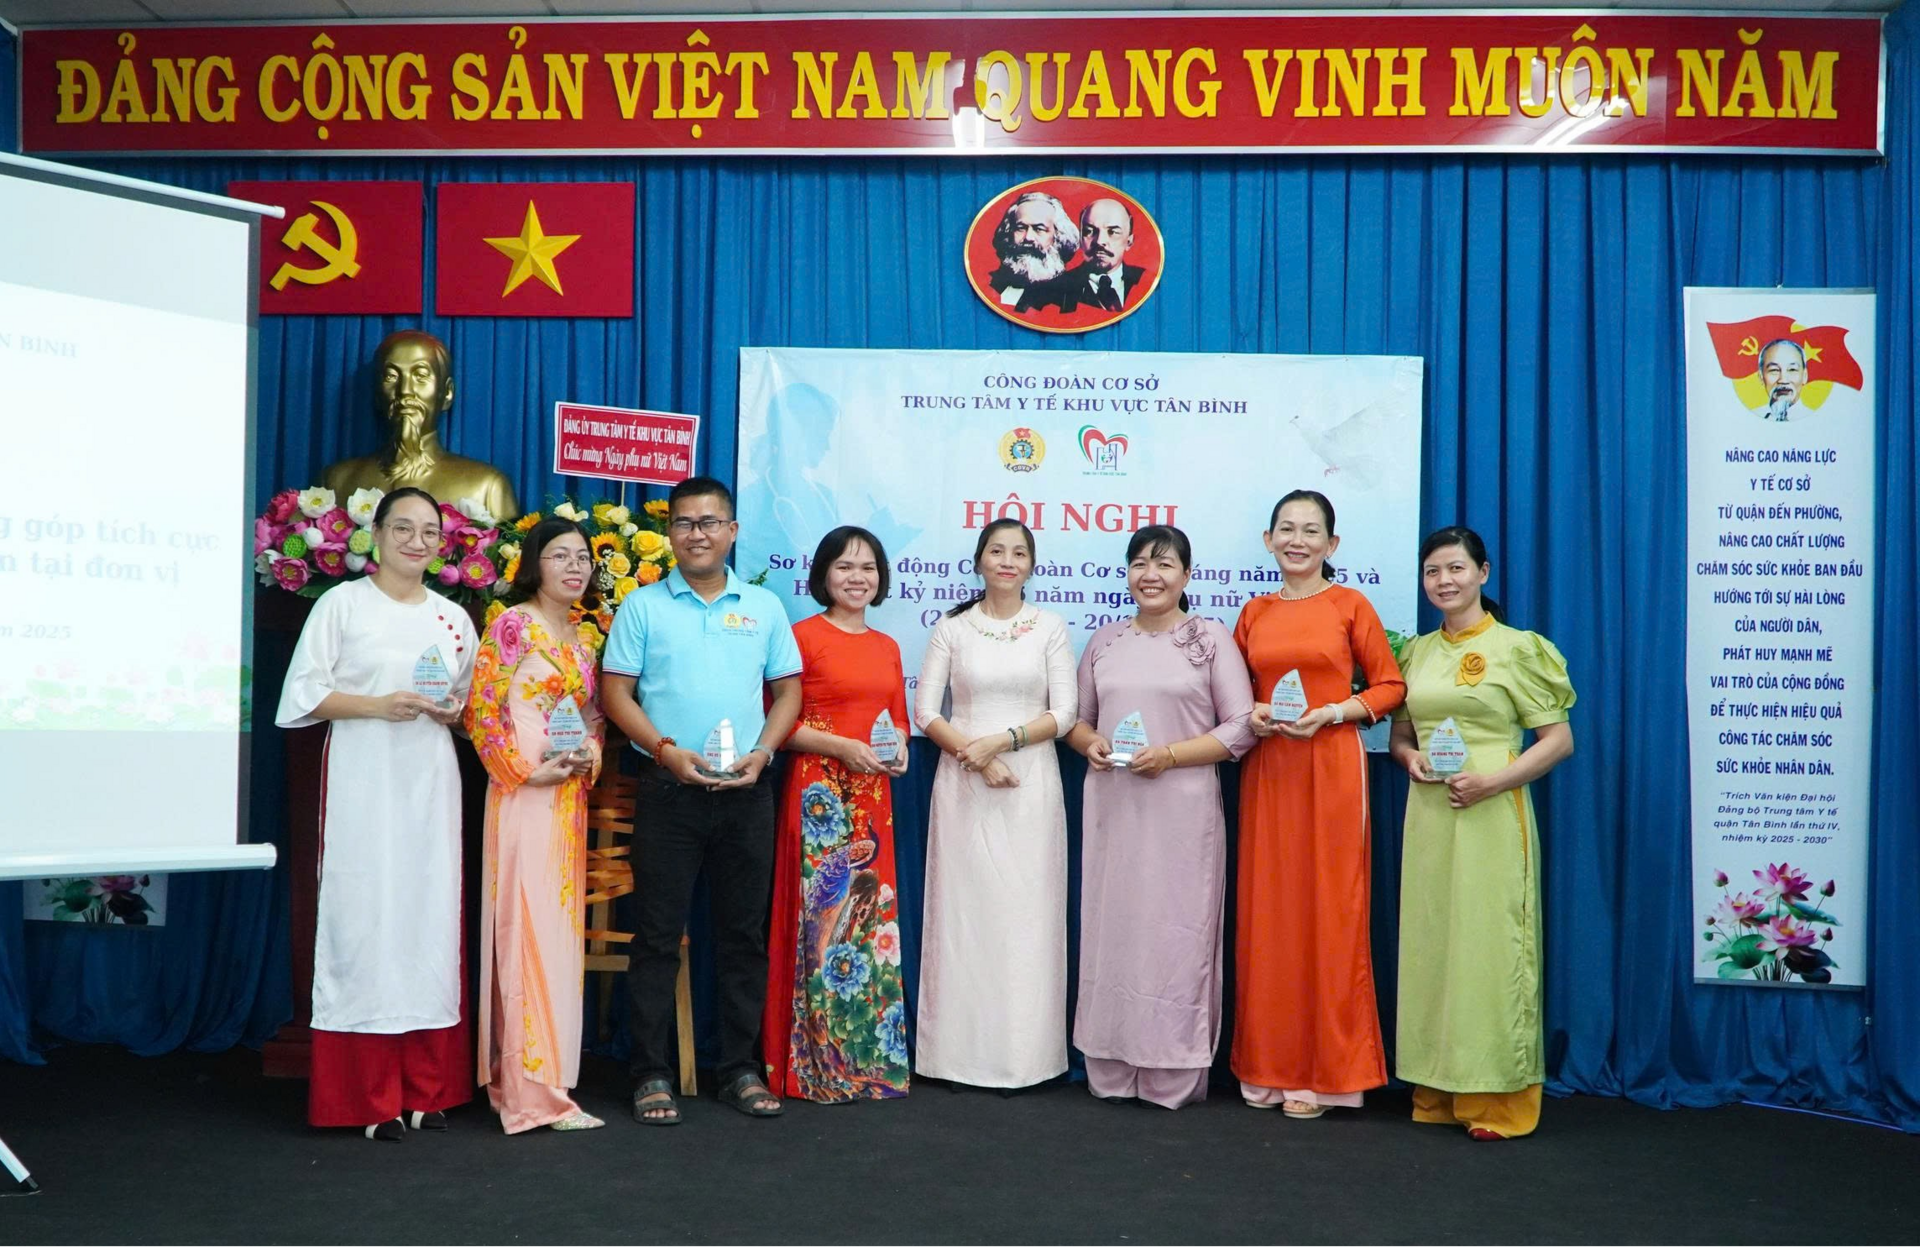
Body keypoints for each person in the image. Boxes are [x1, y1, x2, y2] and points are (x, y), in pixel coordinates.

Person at [275, 486, 476, 1142]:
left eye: (429, 532)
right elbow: (303, 694)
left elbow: (469, 707)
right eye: (403, 528)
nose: (417, 541)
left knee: (426, 917)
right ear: (377, 535)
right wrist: (378, 705)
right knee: (365, 920)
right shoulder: (342, 604)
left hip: (430, 783)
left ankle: (425, 1087)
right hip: (363, 779)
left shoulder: (453, 617)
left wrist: (454, 714)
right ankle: (367, 1095)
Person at [601, 476, 802, 1125]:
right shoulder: (642, 607)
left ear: (732, 531)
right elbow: (614, 694)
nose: (697, 533)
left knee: (743, 935)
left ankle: (739, 1067)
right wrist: (665, 750)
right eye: (685, 522)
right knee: (657, 935)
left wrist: (763, 752)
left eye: (710, 522)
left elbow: (789, 692)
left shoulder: (764, 607)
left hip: (747, 791)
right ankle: (649, 1072)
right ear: (670, 532)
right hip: (668, 789)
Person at [1388, 526, 1575, 1141]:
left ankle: (1497, 1098)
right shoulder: (1415, 653)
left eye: (1456, 568)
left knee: (1491, 948)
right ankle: (1438, 1088)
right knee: (1434, 945)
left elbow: (1558, 741)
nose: (1444, 580)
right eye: (1433, 571)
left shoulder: (1518, 648)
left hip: (1493, 811)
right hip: (1431, 813)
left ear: (1483, 573)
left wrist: (1492, 783)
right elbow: (1401, 734)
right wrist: (1408, 758)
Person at [1064, 527, 1253, 1109]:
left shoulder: (1211, 638)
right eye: (1140, 563)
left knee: (1176, 936)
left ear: (1186, 576)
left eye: (1165, 564)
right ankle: (1110, 1066)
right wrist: (1090, 744)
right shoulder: (1104, 641)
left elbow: (1241, 726)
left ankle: (1171, 1070)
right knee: (1112, 932)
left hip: (1182, 813)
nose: (1151, 575)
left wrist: (1170, 755)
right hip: (1114, 807)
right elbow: (1076, 721)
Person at [1232, 489, 1406, 1119]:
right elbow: (1237, 695)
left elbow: (1390, 686)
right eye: (1286, 528)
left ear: (1332, 544)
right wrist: (1253, 713)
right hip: (1270, 770)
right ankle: (1269, 1065)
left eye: (1311, 530)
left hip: (1332, 766)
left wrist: (1333, 713)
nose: (1297, 540)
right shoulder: (1254, 612)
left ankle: (1330, 1076)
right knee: (1270, 913)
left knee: (1332, 912)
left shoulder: (1350, 605)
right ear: (1268, 539)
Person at [912, 518, 1077, 1090]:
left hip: (1031, 785)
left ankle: (1027, 1059)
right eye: (997, 551)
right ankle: (952, 1058)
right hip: (963, 784)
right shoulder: (953, 628)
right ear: (979, 560)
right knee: (963, 915)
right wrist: (977, 756)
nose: (1008, 561)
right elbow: (925, 712)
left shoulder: (1049, 627)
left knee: (1026, 916)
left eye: (1019, 553)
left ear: (1031, 565)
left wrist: (1002, 742)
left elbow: (1065, 714)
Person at [760, 526, 913, 1103]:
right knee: (818, 927)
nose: (857, 577)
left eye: (868, 567)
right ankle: (811, 1067)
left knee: (868, 925)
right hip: (819, 795)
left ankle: (870, 1063)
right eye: (845, 566)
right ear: (823, 573)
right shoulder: (801, 637)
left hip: (873, 796)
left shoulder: (888, 645)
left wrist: (899, 749)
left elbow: (897, 719)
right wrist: (840, 747)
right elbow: (777, 723)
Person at [465, 518, 607, 1133]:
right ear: (533, 564)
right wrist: (524, 772)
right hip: (522, 794)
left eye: (582, 557)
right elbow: (481, 712)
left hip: (567, 798)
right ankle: (528, 1096)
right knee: (523, 932)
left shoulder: (583, 636)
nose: (574, 567)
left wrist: (589, 754)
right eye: (559, 556)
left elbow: (593, 716)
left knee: (556, 936)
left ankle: (547, 1082)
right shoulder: (511, 625)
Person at [322, 329, 519, 521]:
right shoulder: (336, 483)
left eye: (421, 375)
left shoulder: (487, 488)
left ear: (447, 393)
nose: (405, 391)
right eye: (391, 376)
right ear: (377, 393)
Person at [1038, 198, 1154, 313]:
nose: (1099, 241)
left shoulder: (1149, 282)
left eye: (1113, 232)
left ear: (1129, 242)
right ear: (1080, 239)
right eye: (1089, 231)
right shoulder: (1052, 290)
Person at [984, 192, 1082, 313]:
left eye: (1039, 229)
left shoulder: (1074, 293)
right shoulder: (992, 284)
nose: (1028, 237)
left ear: (1058, 236)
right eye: (1021, 228)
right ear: (1009, 232)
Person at [1756, 338, 1807, 422]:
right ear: (1761, 377)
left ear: (1805, 376)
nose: (1783, 380)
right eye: (1774, 370)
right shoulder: (1751, 417)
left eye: (1792, 370)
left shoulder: (1816, 417)